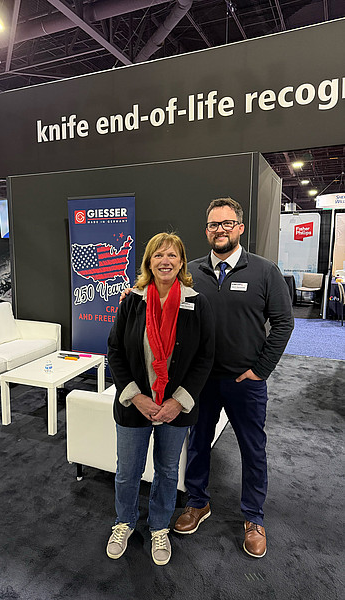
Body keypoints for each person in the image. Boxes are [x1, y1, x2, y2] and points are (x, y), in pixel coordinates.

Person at [173, 197, 294, 559]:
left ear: (240, 228)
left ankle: (254, 517)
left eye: (227, 223)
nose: (220, 230)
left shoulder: (264, 271)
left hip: (246, 382)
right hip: (201, 381)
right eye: (214, 224)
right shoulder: (190, 272)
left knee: (253, 448)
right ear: (206, 230)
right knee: (198, 442)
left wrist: (261, 370)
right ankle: (197, 502)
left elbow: (283, 323)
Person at [106, 232, 215, 566]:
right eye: (158, 255)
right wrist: (136, 397)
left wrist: (178, 402)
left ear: (181, 263)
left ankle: (159, 527)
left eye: (172, 255)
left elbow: (205, 357)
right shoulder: (132, 301)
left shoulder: (197, 303)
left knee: (167, 472)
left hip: (174, 409)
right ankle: (124, 522)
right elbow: (115, 351)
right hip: (135, 405)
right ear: (148, 262)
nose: (165, 261)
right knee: (128, 472)